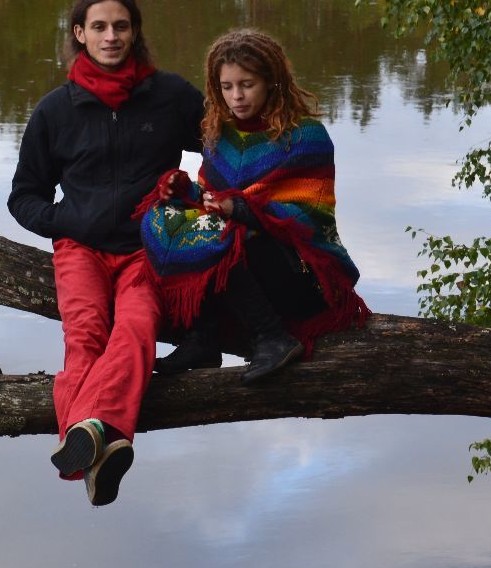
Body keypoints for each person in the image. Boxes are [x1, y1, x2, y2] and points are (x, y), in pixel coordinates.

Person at [8, 0, 204, 507]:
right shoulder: (55, 111)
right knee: (86, 335)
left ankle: (86, 435)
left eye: (121, 26)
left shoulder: (171, 97)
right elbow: (23, 196)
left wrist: (200, 202)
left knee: (137, 327)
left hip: (147, 249)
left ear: (135, 32)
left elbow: (227, 145)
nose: (111, 36)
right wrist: (66, 220)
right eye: (99, 26)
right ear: (79, 34)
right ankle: (103, 444)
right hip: (81, 251)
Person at [139, 28, 369, 383]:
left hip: (298, 276)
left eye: (247, 84)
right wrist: (182, 193)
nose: (237, 96)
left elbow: (305, 221)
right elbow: (209, 200)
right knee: (162, 219)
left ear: (271, 81)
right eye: (227, 87)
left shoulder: (305, 136)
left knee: (229, 237)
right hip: (244, 267)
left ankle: (273, 339)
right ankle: (202, 336)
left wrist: (239, 211)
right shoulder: (220, 134)